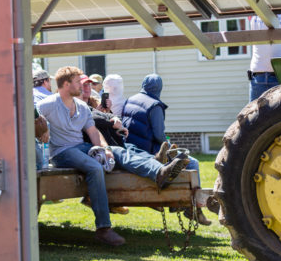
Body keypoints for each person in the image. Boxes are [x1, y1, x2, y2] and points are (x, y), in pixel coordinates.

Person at [39, 66, 189, 246]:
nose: (81, 85)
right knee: (94, 168)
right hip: (61, 152)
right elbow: (30, 119)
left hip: (81, 147)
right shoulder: (48, 104)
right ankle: (103, 229)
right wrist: (41, 129)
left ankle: (160, 173)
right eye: (78, 82)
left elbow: (93, 132)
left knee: (118, 151)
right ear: (65, 84)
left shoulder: (81, 107)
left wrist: (104, 148)